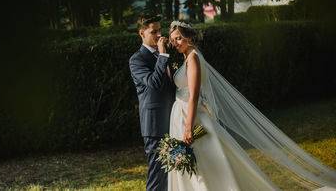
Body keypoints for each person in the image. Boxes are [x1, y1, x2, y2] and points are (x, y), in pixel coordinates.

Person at [167, 20, 336, 191]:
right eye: (173, 40)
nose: (175, 43)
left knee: (206, 163)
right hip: (185, 116)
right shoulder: (188, 57)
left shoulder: (193, 58)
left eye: (179, 38)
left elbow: (194, 96)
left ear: (189, 37)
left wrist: (188, 128)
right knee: (203, 164)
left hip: (193, 120)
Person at [129, 15, 176, 191]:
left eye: (159, 30)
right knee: (157, 177)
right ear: (142, 33)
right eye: (153, 31)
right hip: (154, 125)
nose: (158, 35)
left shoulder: (164, 55)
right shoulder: (137, 60)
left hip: (172, 120)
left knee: (172, 175)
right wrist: (163, 55)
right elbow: (154, 84)